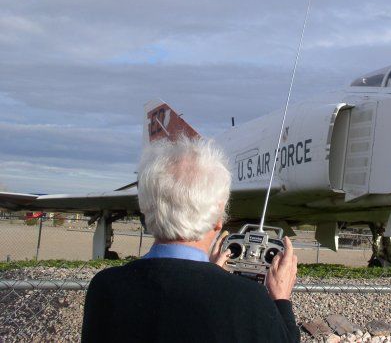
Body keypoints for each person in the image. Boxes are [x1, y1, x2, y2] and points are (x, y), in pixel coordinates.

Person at [82, 136, 300, 343]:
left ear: (146, 208)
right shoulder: (249, 299)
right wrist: (280, 299)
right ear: (218, 219)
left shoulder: (106, 287)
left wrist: (210, 277)